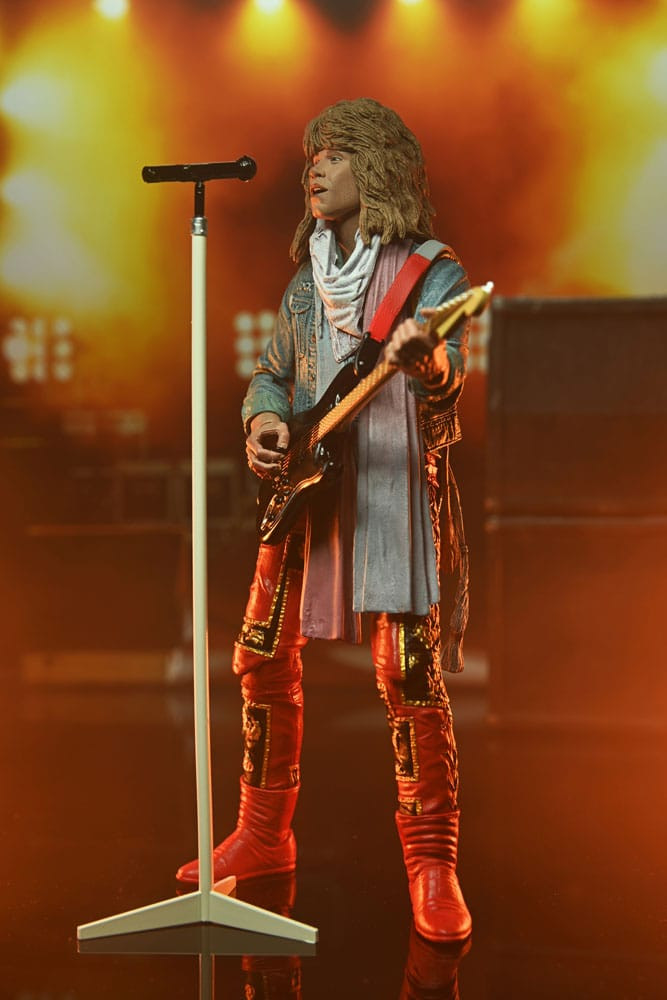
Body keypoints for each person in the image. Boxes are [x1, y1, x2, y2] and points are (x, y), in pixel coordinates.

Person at [177, 97, 472, 944]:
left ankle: (432, 864)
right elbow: (272, 372)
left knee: (406, 674)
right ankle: (262, 834)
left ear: (374, 168)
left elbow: (449, 371)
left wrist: (428, 360)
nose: (315, 167)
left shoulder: (430, 273)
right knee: (260, 654)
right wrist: (265, 419)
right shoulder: (308, 279)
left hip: (392, 490)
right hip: (310, 489)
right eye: (314, 153)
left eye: (336, 153)